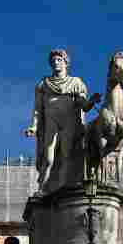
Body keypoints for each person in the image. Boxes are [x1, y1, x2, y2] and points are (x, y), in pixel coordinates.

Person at [24, 48, 102, 193]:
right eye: (53, 61)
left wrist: (91, 101)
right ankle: (42, 187)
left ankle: (62, 187)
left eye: (59, 60)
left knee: (67, 154)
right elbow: (37, 109)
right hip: (51, 121)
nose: (56, 63)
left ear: (66, 63)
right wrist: (34, 127)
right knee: (48, 157)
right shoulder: (44, 84)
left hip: (69, 121)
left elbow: (84, 106)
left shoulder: (75, 82)